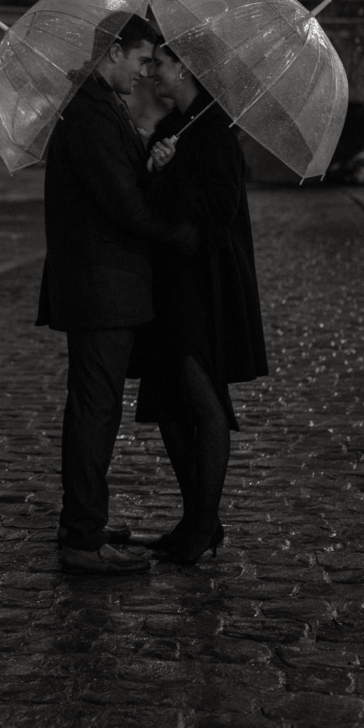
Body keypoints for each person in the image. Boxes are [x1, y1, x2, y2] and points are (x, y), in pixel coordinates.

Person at [36, 14, 200, 576]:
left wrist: (150, 160)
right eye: (139, 59)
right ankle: (83, 537)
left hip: (101, 286)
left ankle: (79, 518)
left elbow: (121, 188)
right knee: (95, 409)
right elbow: (125, 207)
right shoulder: (91, 118)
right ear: (111, 53)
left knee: (93, 406)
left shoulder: (98, 112)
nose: (147, 71)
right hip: (101, 287)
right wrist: (184, 235)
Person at [137, 42, 268, 565]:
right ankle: (199, 521)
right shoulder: (173, 131)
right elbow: (157, 204)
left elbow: (220, 209)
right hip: (168, 285)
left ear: (185, 68)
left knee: (203, 401)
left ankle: (199, 526)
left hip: (203, 285)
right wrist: (156, 170)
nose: (151, 73)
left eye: (160, 65)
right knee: (169, 406)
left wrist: (170, 175)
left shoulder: (214, 135)